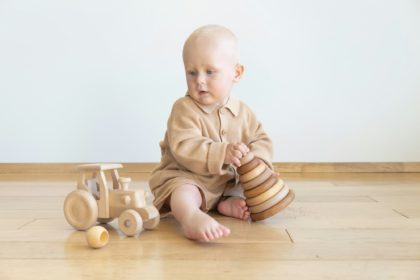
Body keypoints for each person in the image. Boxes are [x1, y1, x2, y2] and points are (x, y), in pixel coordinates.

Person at [149, 24, 273, 242]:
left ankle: (227, 201)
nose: (200, 80)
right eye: (192, 72)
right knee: (184, 192)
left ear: (236, 73)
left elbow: (260, 139)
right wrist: (222, 153)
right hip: (188, 176)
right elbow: (185, 146)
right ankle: (191, 217)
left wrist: (259, 163)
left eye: (210, 71)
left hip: (224, 183)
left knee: (249, 184)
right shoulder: (184, 108)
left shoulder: (242, 112)